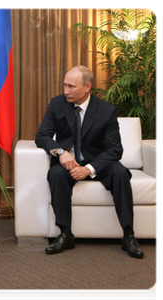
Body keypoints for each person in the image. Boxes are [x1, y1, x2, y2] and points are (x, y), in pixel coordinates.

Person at [35, 65, 144, 259]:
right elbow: (42, 136)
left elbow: (115, 150)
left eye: (71, 86)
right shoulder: (57, 104)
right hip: (69, 163)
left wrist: (89, 169)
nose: (66, 91)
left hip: (98, 162)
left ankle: (129, 235)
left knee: (120, 173)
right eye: (64, 85)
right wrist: (60, 152)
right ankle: (65, 233)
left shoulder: (105, 111)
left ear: (88, 87)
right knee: (56, 173)